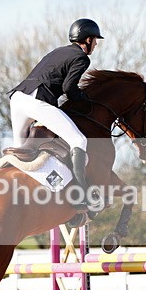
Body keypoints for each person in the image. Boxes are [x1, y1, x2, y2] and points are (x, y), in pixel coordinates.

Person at [8, 18, 103, 207]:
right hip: (36, 101)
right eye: (95, 40)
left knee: (23, 155)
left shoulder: (58, 51)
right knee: (79, 140)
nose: (96, 44)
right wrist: (84, 98)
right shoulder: (82, 57)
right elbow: (69, 87)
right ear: (87, 39)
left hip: (18, 98)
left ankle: (45, 194)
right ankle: (79, 196)